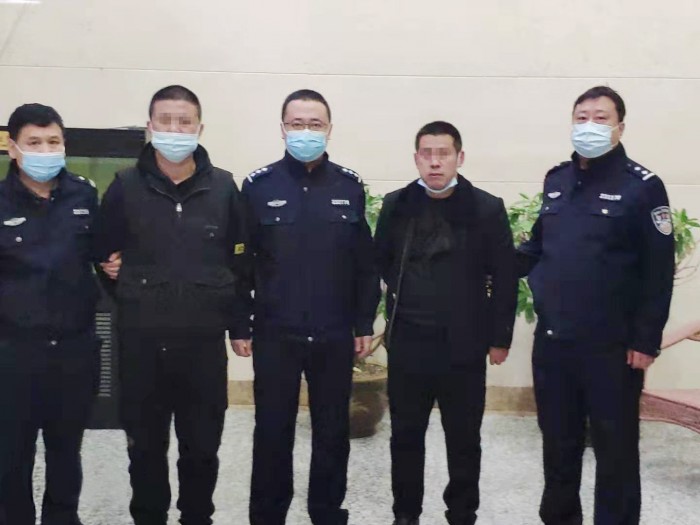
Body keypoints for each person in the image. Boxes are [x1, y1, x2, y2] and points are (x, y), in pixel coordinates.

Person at [517, 86, 675, 525]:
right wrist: (488, 263)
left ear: (620, 127)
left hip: (613, 348)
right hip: (554, 343)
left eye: (600, 118)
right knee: (558, 446)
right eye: (581, 117)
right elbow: (536, 248)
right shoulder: (557, 180)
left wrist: (646, 340)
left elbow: (658, 271)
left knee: (615, 451)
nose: (589, 125)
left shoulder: (643, 187)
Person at [94, 85, 249, 525]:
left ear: (200, 128)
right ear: (150, 127)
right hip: (141, 345)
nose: (175, 130)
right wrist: (119, 282)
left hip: (203, 346)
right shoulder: (125, 186)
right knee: (144, 447)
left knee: (202, 448)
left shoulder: (224, 187)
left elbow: (240, 262)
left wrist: (239, 326)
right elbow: (101, 254)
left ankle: (197, 517)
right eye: (165, 120)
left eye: (185, 122)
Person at [237, 89, 380, 525]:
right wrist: (239, 324)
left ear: (329, 129)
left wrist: (363, 322)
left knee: (332, 432)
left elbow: (364, 263)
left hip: (334, 331)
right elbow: (241, 262)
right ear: (282, 129)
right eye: (297, 124)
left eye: (315, 124)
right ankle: (268, 516)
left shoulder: (349, 186)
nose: (305, 132)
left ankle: (327, 512)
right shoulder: (258, 186)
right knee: (272, 431)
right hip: (275, 331)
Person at [374, 121, 518, 525]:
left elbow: (505, 277)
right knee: (405, 436)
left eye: (444, 153)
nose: (435, 162)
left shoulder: (486, 208)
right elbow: (380, 262)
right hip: (409, 343)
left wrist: (500, 338)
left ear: (460, 157)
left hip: (464, 346)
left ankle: (462, 512)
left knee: (464, 438)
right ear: (416, 158)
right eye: (427, 154)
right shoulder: (397, 204)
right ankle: (406, 514)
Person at [0, 104, 102, 525]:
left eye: (53, 141)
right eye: (34, 142)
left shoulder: (84, 195)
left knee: (66, 454)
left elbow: (102, 255)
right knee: (11, 457)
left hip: (74, 351)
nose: (45, 150)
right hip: (14, 354)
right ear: (13, 148)